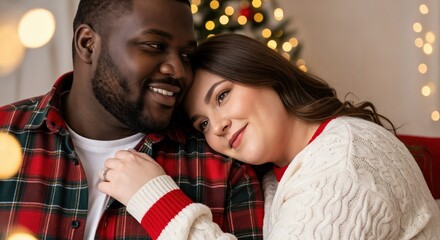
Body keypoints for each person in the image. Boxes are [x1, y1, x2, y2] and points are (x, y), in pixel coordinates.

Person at [99, 33, 440, 239]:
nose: (217, 127)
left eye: (222, 96)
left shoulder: (345, 163)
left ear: (266, 75)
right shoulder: (283, 175)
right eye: (202, 124)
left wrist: (158, 202)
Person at [0, 1, 265, 239]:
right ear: (87, 43)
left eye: (186, 55)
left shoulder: (223, 169)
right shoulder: (6, 137)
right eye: (154, 46)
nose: (178, 70)